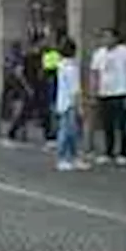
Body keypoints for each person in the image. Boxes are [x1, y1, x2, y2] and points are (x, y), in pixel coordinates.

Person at [90, 27, 126, 165]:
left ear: (116, 38)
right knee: (107, 125)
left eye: (109, 36)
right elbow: (95, 74)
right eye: (103, 37)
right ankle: (108, 151)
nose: (106, 39)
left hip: (121, 92)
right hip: (104, 93)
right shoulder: (98, 54)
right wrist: (94, 93)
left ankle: (124, 152)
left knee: (122, 124)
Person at [53, 37, 90, 172]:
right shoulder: (71, 67)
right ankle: (65, 158)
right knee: (69, 132)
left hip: (63, 102)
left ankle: (71, 158)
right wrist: (80, 106)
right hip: (70, 104)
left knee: (69, 132)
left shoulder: (61, 65)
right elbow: (75, 90)